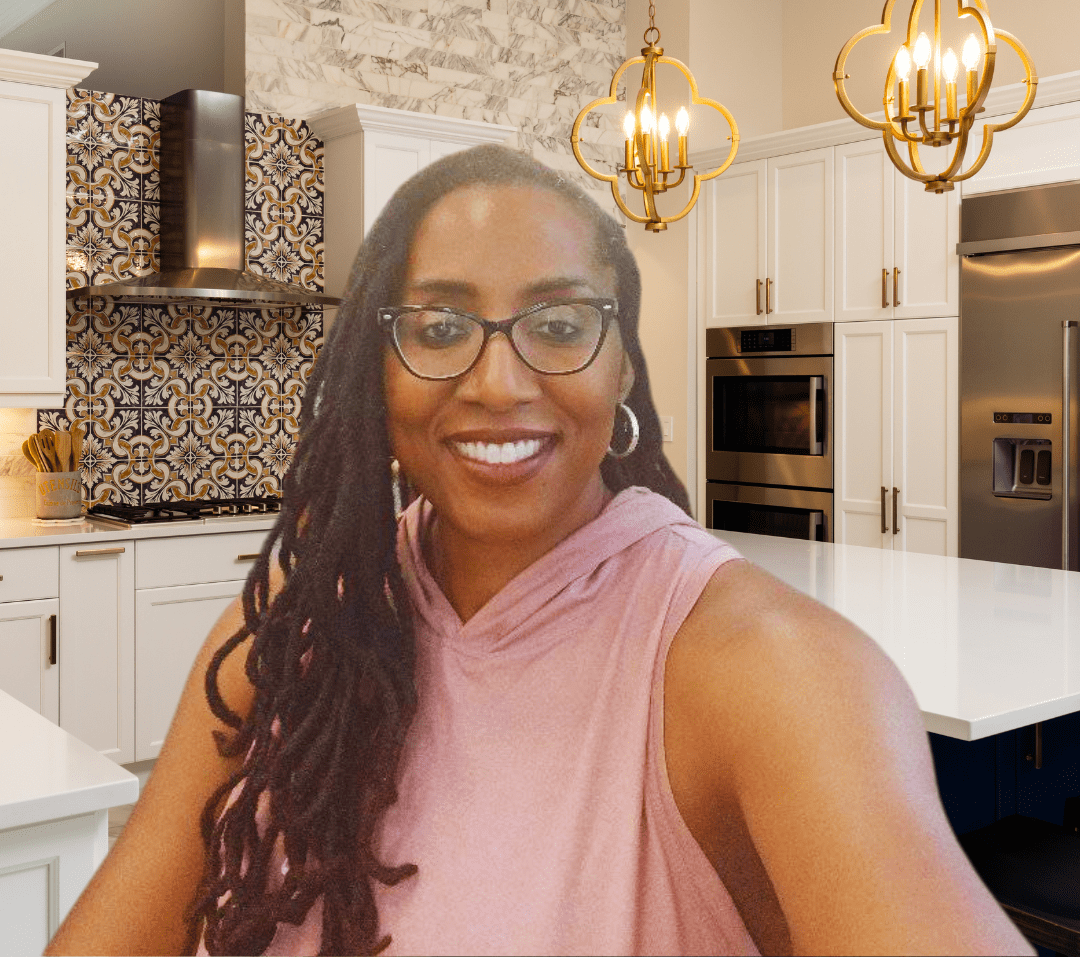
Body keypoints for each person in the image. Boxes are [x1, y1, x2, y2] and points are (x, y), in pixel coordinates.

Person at [46, 146, 1031, 957]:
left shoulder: (776, 672)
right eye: (438, 326)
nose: (498, 381)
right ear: (372, 376)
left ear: (623, 369)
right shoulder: (291, 639)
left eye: (560, 324)